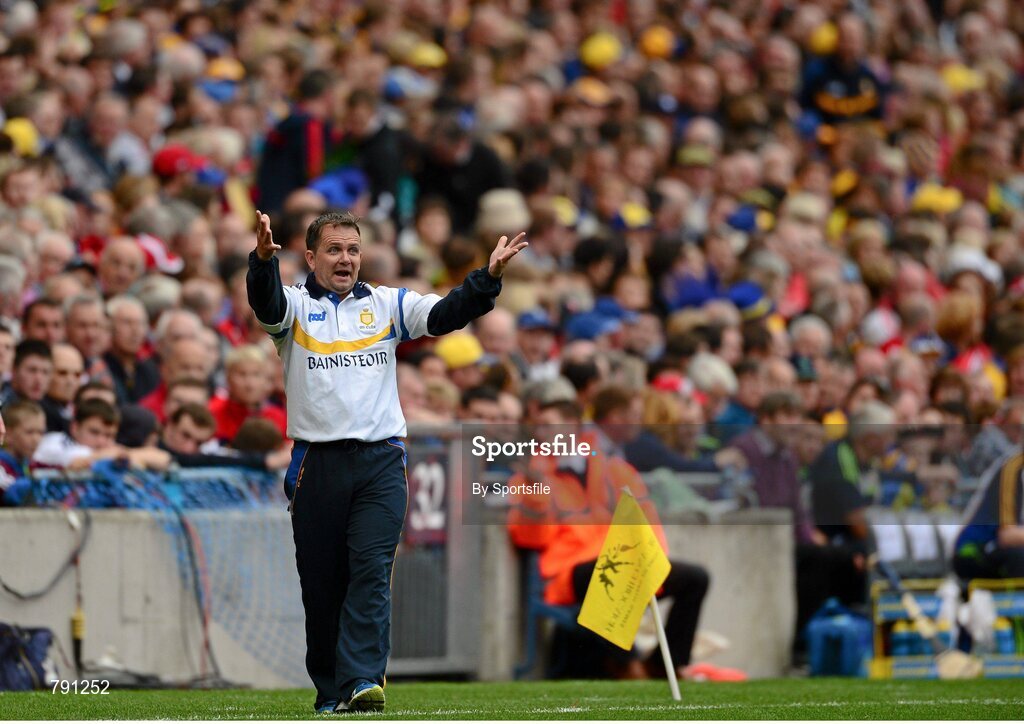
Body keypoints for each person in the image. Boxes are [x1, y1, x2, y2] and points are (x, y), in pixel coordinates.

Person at [246, 209, 526, 713]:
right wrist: (263, 261)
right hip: (315, 462)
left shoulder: (388, 303)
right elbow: (264, 302)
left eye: (353, 249)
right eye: (333, 249)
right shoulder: (291, 307)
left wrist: (488, 279)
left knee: (372, 569)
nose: (345, 259)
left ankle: (361, 681)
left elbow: (444, 316)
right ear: (310, 257)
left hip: (380, 460)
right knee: (322, 581)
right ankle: (331, 688)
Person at [507, 393, 711, 681]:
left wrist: (654, 563)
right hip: (568, 572)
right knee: (611, 572)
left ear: (574, 426)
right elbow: (530, 539)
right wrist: (536, 494)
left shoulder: (615, 469)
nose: (541, 434)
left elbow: (646, 521)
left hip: (625, 563)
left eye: (548, 425)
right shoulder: (529, 477)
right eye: (537, 427)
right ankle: (626, 663)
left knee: (695, 578)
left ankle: (665, 665)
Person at [0, 400, 46, 504]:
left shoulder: (28, 464)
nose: (36, 439)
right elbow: (11, 492)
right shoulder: (1, 465)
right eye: (30, 432)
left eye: (40, 432)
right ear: (8, 435)